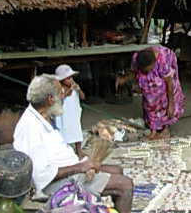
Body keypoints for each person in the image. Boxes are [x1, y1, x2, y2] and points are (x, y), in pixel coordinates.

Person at [13, 74, 133, 213]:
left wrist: (82, 164)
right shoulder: (31, 127)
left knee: (117, 170)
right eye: (61, 92)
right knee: (125, 185)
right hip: (59, 183)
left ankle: (97, 206)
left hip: (70, 171)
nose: (64, 95)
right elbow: (43, 175)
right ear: (50, 99)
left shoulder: (43, 116)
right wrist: (80, 167)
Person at [117, 46, 185, 140]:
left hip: (166, 77)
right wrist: (124, 79)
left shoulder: (163, 60)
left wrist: (171, 104)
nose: (148, 71)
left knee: (163, 96)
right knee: (150, 98)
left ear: (154, 63)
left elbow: (170, 84)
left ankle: (166, 128)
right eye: (145, 70)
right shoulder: (136, 59)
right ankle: (154, 130)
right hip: (152, 81)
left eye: (149, 69)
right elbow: (133, 72)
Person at [54, 64, 85, 158]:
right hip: (64, 115)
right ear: (62, 80)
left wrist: (79, 90)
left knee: (77, 131)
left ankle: (79, 151)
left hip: (74, 114)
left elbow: (83, 97)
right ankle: (64, 152)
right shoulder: (60, 89)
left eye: (71, 77)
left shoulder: (75, 87)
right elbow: (61, 98)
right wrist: (70, 89)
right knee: (64, 132)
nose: (71, 80)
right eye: (68, 78)